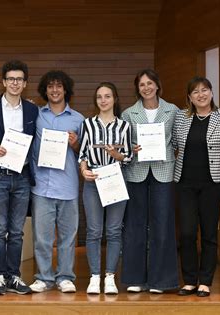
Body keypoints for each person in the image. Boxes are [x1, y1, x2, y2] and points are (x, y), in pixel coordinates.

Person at [173, 76, 220, 297]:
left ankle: (205, 281)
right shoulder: (182, 119)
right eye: (195, 92)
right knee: (187, 233)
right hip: (184, 184)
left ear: (211, 92)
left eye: (204, 90)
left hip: (214, 184)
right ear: (189, 98)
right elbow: (172, 144)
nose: (200, 95)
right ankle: (190, 280)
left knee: (210, 233)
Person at [0, 60, 38, 295]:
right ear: (4, 82)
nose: (15, 83)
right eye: (11, 79)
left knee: (17, 231)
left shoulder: (32, 110)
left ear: (25, 84)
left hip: (22, 177)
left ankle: (14, 276)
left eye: (19, 79)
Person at [120, 69, 179, 294]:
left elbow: (177, 141)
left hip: (163, 172)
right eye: (142, 84)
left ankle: (161, 281)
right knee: (135, 226)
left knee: (163, 225)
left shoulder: (172, 110)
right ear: (137, 88)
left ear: (157, 85)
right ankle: (135, 278)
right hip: (137, 173)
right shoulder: (128, 114)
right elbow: (124, 148)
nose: (146, 87)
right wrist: (132, 150)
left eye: (150, 83)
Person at [28, 70, 84, 294]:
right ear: (45, 90)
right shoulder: (35, 115)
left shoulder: (78, 119)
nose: (54, 90)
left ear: (66, 89)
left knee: (68, 237)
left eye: (59, 86)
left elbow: (85, 154)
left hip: (68, 185)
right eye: (50, 86)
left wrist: (76, 144)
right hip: (41, 185)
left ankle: (65, 277)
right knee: (42, 238)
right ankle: (43, 277)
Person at [79, 82, 132, 295]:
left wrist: (116, 156)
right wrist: (83, 170)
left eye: (107, 96)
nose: (103, 100)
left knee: (113, 230)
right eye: (99, 96)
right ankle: (94, 277)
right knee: (93, 231)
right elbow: (82, 154)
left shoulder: (124, 126)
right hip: (93, 180)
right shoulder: (87, 124)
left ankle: (110, 276)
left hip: (115, 178)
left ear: (115, 99)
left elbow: (128, 157)